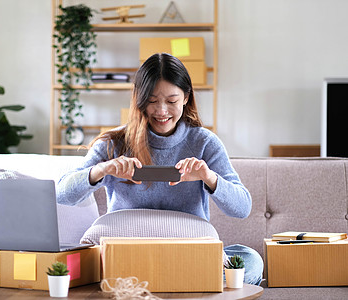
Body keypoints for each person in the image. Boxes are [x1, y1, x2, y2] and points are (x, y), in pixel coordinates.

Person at [57, 52, 263, 285]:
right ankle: (180, 281)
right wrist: (102, 170)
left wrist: (209, 177)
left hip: (186, 252)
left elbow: (242, 208)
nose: (162, 111)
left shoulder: (204, 142)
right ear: (139, 99)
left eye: (172, 101)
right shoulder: (114, 142)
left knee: (252, 260)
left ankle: (150, 280)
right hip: (126, 251)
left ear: (186, 97)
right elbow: (62, 194)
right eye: (152, 101)